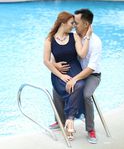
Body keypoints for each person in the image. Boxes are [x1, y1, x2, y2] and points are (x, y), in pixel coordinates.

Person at [50, 9, 102, 144]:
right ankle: (60, 121)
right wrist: (56, 66)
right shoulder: (73, 36)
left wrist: (74, 79)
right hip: (75, 71)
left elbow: (91, 68)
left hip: (92, 75)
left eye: (76, 23)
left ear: (86, 24)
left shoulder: (95, 42)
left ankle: (90, 129)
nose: (74, 25)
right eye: (72, 22)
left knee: (85, 94)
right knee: (57, 89)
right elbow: (59, 54)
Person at [43, 11, 92, 140]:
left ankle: (69, 120)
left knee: (79, 84)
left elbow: (81, 54)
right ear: (63, 23)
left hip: (75, 71)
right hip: (59, 75)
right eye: (72, 23)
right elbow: (46, 61)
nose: (74, 25)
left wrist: (87, 37)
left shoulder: (74, 36)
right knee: (71, 88)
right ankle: (69, 121)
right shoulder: (49, 40)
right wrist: (60, 75)